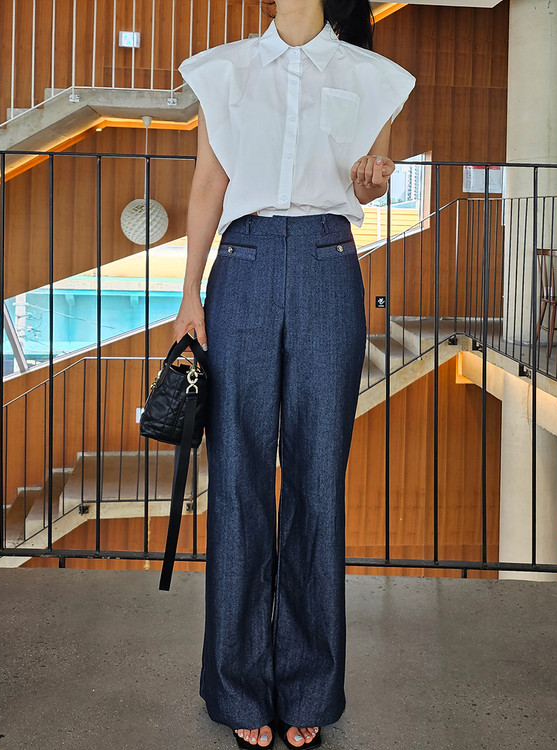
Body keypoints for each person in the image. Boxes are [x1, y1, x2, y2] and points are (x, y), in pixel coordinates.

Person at [173, 1, 415, 747]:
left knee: (317, 480)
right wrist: (189, 295)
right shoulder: (225, 71)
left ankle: (309, 683)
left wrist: (372, 182)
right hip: (241, 267)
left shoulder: (373, 77)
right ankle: (239, 688)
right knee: (237, 481)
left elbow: (365, 185)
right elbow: (209, 186)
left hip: (327, 264)